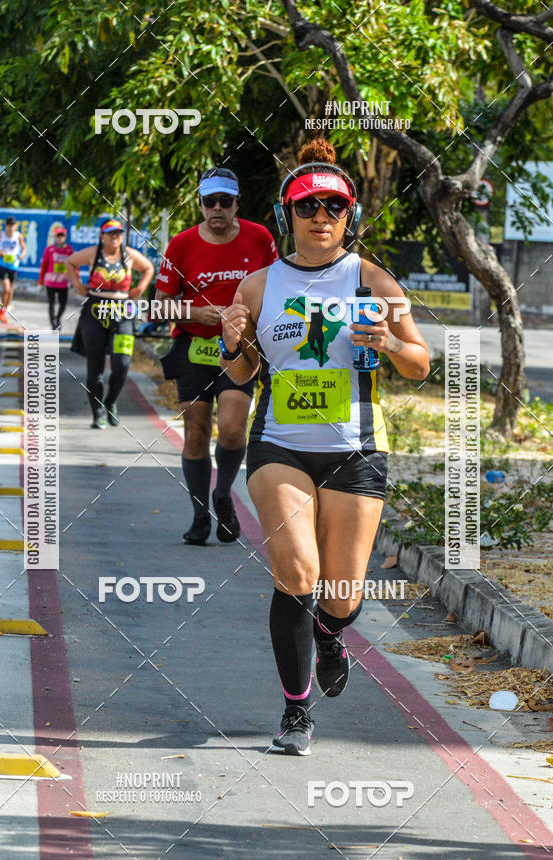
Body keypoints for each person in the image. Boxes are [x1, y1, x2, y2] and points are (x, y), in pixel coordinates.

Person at [220, 139, 430, 755]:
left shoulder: (371, 278)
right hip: (278, 447)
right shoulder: (258, 287)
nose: (321, 218)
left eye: (333, 208)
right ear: (288, 215)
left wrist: (390, 342)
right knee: (298, 574)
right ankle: (295, 711)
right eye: (308, 207)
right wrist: (234, 343)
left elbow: (420, 363)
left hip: (355, 451)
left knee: (341, 594)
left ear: (350, 216)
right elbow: (240, 376)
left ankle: (332, 636)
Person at [155, 167, 278, 545]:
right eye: (210, 202)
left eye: (226, 202)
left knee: (232, 427)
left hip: (241, 348)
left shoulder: (260, 238)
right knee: (195, 432)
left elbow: (277, 291)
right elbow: (160, 308)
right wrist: (196, 313)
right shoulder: (181, 244)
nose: (218, 209)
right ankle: (199, 514)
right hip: (195, 347)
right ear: (201, 205)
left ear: (237, 203)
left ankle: (222, 494)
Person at [66, 219, 154, 428]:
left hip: (122, 312)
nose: (115, 237)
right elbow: (70, 262)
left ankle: (111, 402)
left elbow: (148, 268)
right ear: (102, 236)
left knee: (122, 363)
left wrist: (140, 288)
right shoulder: (92, 253)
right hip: (95, 311)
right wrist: (78, 284)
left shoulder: (130, 254)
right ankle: (97, 412)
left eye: (118, 233)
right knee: (94, 367)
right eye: (110, 233)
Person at [38, 226, 74, 329]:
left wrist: (75, 279)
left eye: (62, 235)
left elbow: (74, 266)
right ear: (55, 236)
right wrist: (40, 282)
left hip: (63, 282)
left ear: (65, 237)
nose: (60, 238)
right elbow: (43, 266)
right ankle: (53, 323)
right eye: (58, 235)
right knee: (51, 303)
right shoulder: (49, 250)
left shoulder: (69, 250)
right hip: (51, 282)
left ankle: (58, 318)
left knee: (63, 304)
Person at [0, 216, 26, 323]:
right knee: (6, 289)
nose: (11, 227)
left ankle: (3, 310)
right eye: (9, 225)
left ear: (16, 226)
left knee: (10, 291)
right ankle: (2, 310)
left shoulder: (18, 236)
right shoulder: (1, 235)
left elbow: (24, 248)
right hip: (2, 263)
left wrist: (22, 255)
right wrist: (0, 252)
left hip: (13, 265)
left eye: (13, 225)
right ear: (6, 225)